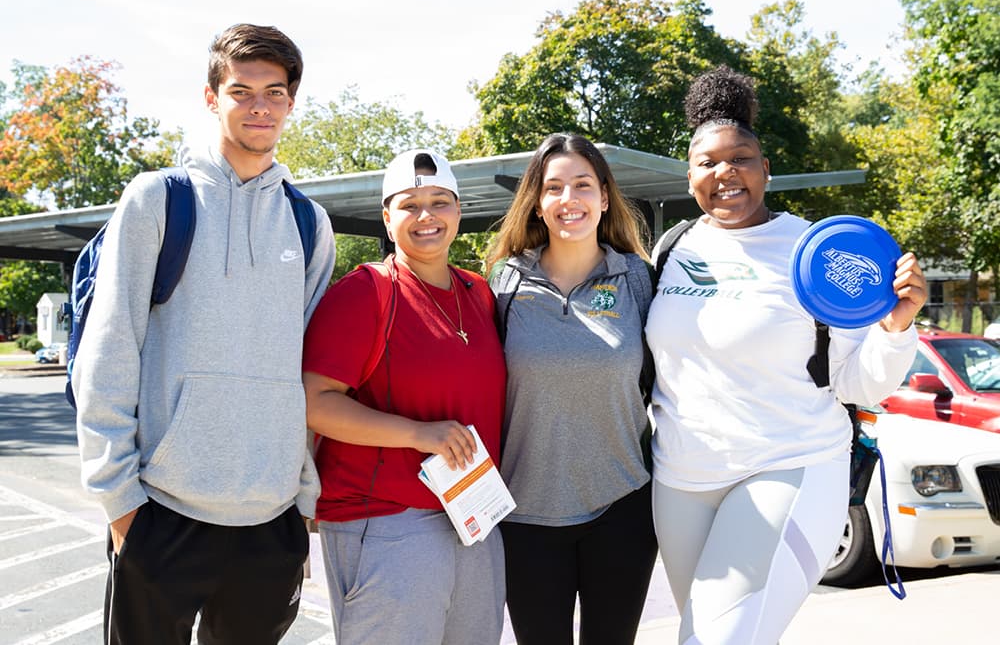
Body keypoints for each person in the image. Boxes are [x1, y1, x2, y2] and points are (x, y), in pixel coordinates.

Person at [73, 23, 337, 645]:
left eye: (274, 92)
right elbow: (108, 350)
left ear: (291, 104)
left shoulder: (308, 223)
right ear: (212, 97)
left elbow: (310, 375)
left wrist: (301, 503)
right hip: (162, 513)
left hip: (271, 521)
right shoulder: (157, 200)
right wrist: (121, 506)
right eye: (241, 90)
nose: (259, 106)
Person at [646, 66, 928, 644]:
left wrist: (896, 328)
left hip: (788, 466)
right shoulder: (673, 248)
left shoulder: (814, 251)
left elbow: (856, 383)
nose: (725, 173)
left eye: (741, 158)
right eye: (707, 162)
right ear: (689, 175)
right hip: (680, 481)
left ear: (766, 169)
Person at [302, 150, 507, 645]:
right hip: (386, 521)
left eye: (440, 201)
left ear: (459, 211)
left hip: (474, 514)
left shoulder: (478, 292)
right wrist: (418, 434)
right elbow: (314, 401)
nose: (426, 216)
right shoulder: (365, 292)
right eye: (409, 204)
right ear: (387, 218)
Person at [485, 133, 659, 645]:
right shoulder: (504, 284)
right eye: (554, 187)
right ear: (537, 204)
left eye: (582, 185)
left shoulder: (639, 281)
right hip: (525, 513)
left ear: (605, 197)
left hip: (623, 506)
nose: (569, 200)